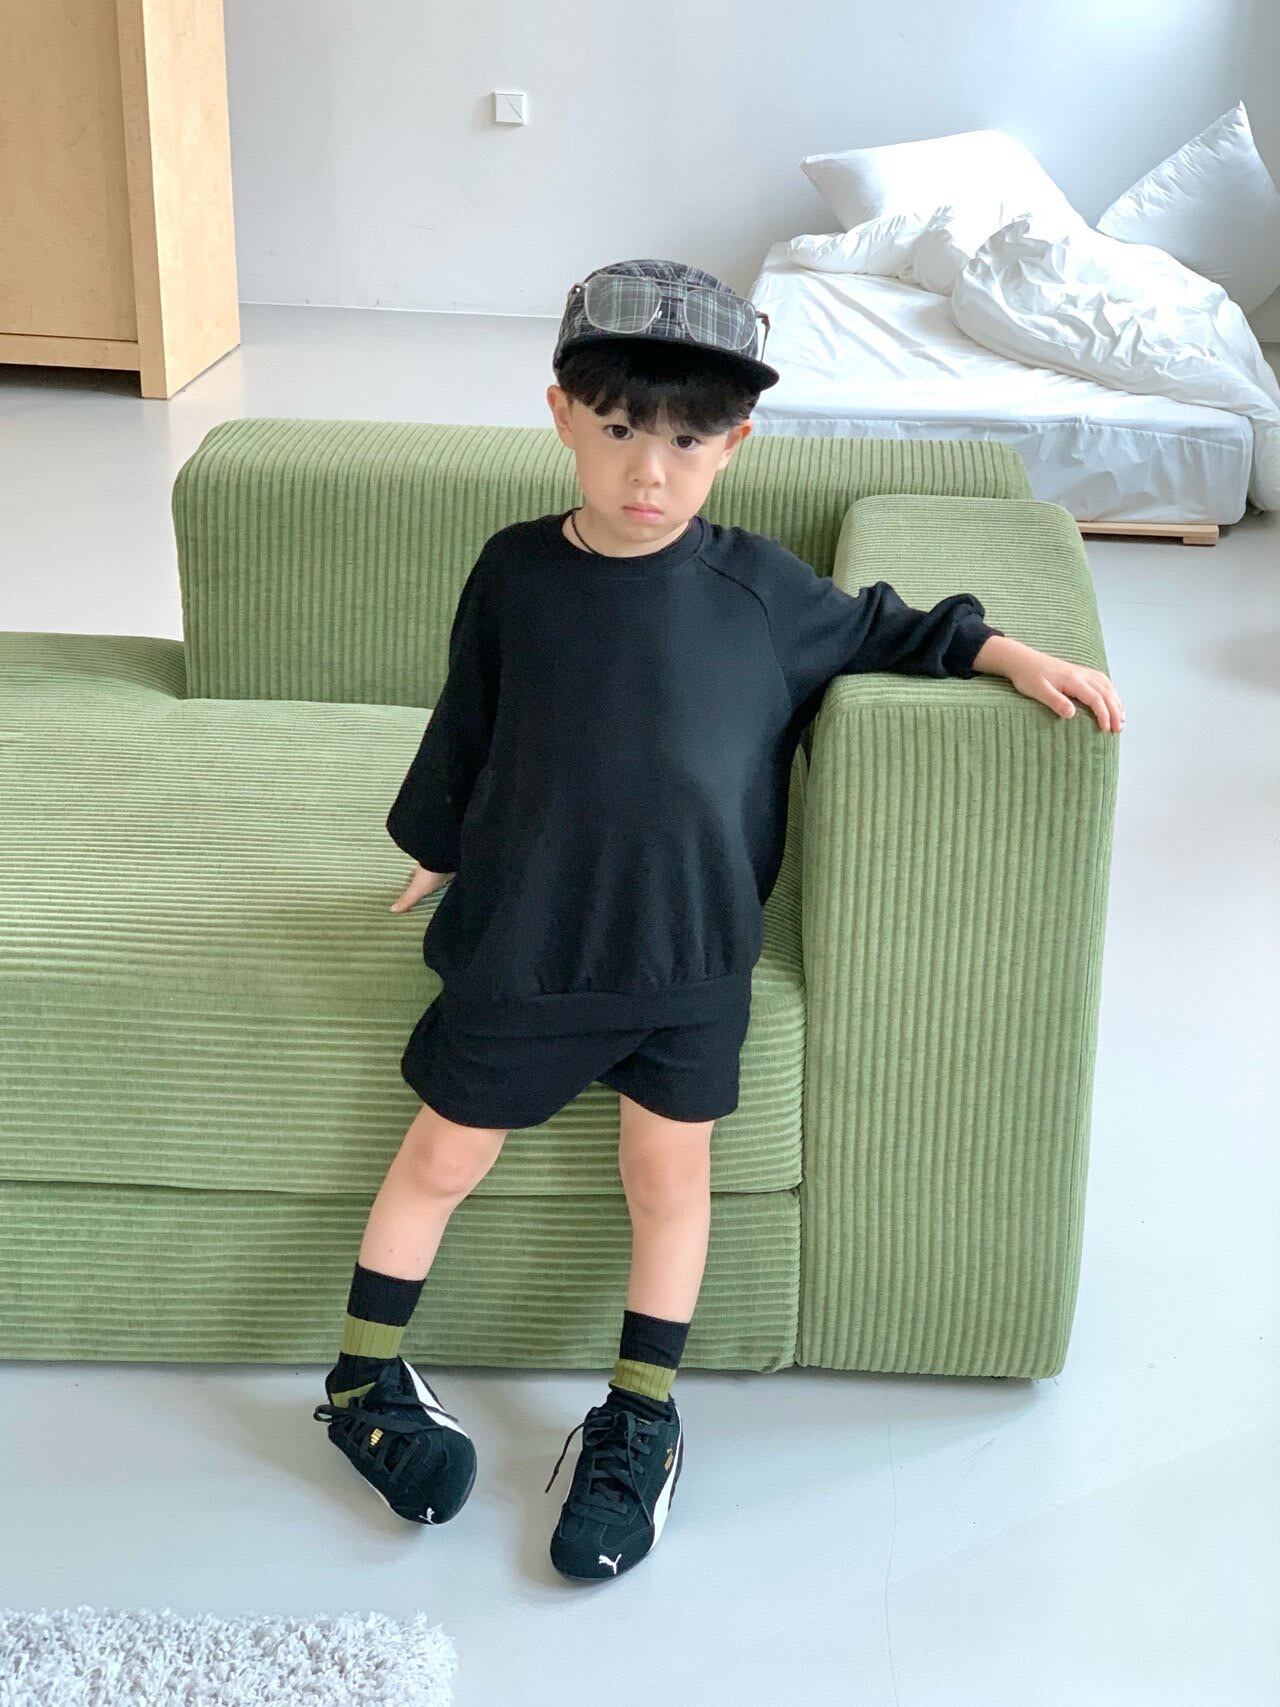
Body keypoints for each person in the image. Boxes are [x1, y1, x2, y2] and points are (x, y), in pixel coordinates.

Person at [312, 258, 1125, 1582]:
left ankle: (640, 1414)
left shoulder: (759, 590)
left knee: (667, 1183)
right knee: (441, 1160)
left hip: (688, 962)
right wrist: (436, 847)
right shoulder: (514, 573)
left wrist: (1012, 653)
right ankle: (360, 1382)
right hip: (526, 949)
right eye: (620, 429)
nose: (650, 471)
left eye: (689, 442)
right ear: (563, 415)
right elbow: (469, 720)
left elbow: (887, 627)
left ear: (735, 444)